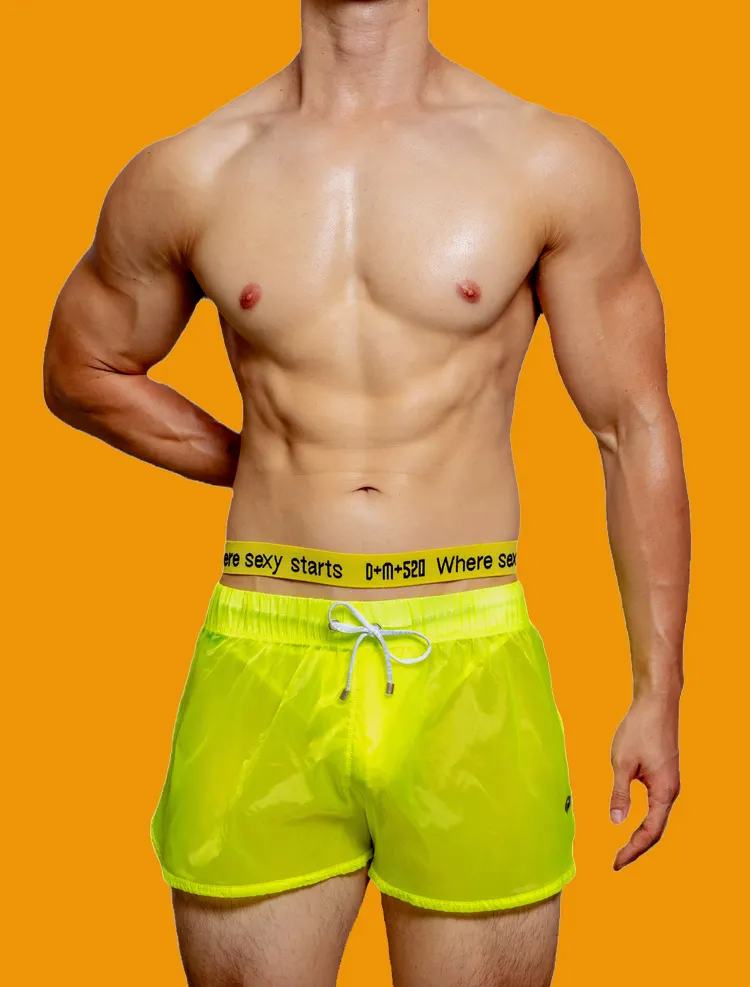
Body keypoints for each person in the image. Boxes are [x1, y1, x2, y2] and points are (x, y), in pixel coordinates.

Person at [42, 1, 690, 984]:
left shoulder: (549, 163)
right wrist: (254, 456)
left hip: (468, 658)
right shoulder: (190, 171)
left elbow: (631, 426)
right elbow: (80, 368)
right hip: (266, 654)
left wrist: (658, 692)